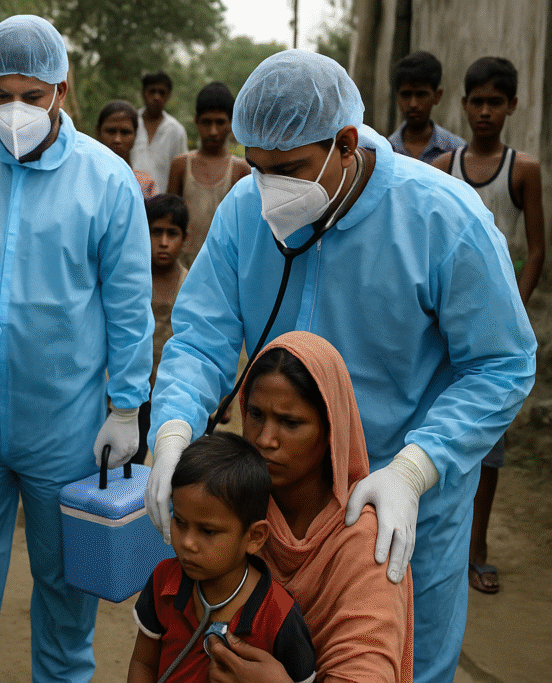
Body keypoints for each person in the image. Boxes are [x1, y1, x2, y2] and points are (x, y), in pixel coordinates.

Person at [144, 50, 535, 683]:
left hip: (401, 501)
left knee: (394, 662)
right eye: (258, 167)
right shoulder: (245, 210)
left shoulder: (443, 218)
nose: (269, 188)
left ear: (346, 144)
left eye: (289, 170)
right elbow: (200, 339)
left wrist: (415, 469)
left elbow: (501, 365)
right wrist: (171, 432)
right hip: (282, 504)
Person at [0, 15, 153, 683]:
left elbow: (128, 306)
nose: (15, 111)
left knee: (65, 584)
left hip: (66, 427)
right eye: (2, 95)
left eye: (32, 95)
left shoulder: (106, 181)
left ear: (61, 89)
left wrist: (127, 407)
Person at [208, 331, 414, 682]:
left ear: (330, 429)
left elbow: (365, 672)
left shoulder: (364, 541)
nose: (264, 439)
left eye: (290, 423)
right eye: (255, 414)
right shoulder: (231, 509)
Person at [432, 56, 546, 594]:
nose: (484, 111)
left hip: (496, 328)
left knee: (489, 442)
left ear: (512, 106)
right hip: (446, 325)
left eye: (494, 102)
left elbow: (537, 249)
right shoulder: (443, 166)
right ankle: (439, 542)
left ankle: (476, 549)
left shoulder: (523, 170)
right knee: (440, 427)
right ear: (463, 104)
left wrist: (512, 310)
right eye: (476, 101)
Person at [128, 432, 316, 683]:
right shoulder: (164, 582)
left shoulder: (279, 615)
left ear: (254, 537)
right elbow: (143, 663)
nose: (187, 543)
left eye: (208, 531)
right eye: (180, 522)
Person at [166, 82, 250, 268]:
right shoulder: (181, 166)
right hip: (182, 265)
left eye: (220, 122)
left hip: (223, 265)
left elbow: (244, 228)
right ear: (196, 121)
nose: (213, 131)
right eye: (206, 122)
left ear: (231, 123)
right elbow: (169, 220)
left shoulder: (241, 169)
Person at [133, 194, 189, 465]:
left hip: (171, 393)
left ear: (185, 237)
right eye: (156, 232)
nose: (164, 242)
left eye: (172, 233)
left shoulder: (190, 285)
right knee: (126, 463)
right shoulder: (131, 280)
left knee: (172, 463)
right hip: (131, 394)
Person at [388, 51, 465, 163]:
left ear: (437, 96)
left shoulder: (456, 150)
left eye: (421, 94)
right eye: (406, 94)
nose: (413, 104)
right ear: (397, 97)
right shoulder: (387, 150)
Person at [131, 71, 188, 192]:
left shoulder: (176, 130)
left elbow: (181, 171)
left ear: (168, 96)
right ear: (143, 93)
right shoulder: (130, 123)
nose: (156, 97)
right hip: (130, 196)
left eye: (162, 93)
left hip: (162, 199)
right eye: (152, 91)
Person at [96, 100, 159, 198]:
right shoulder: (85, 177)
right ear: (98, 133)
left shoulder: (145, 185)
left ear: (135, 136)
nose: (117, 140)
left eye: (125, 132)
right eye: (111, 131)